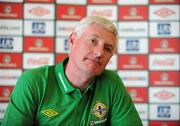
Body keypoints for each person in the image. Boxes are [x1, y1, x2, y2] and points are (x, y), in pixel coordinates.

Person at [1, 16, 142, 126]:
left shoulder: (111, 82)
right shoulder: (33, 81)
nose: (99, 53)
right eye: (93, 41)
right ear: (72, 40)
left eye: (107, 48)